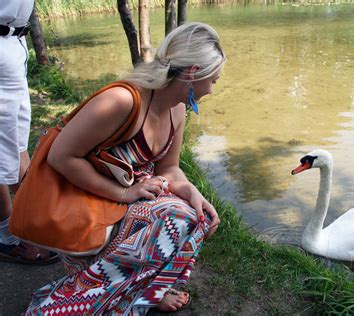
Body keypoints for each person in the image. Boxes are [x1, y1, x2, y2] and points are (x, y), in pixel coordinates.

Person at [26, 22, 225, 314]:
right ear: (194, 72)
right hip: (81, 208)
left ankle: (143, 289)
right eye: (214, 81)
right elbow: (60, 157)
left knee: (195, 215)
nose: (211, 90)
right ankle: (84, 290)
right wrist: (125, 192)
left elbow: (168, 169)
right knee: (178, 219)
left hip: (118, 203)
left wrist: (194, 193)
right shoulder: (122, 100)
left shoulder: (177, 108)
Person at [0, 0, 58, 264]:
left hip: (15, 43)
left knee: (18, 147)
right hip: (3, 44)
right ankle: (10, 238)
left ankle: (33, 230)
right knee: (3, 153)